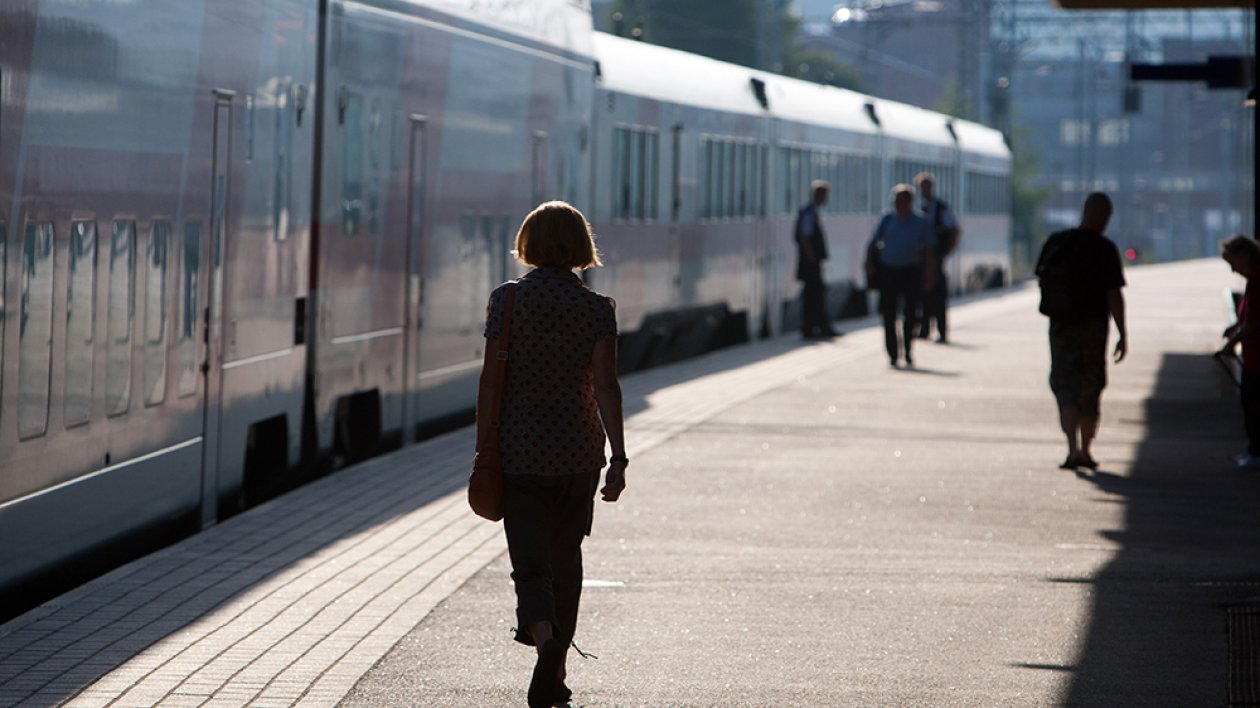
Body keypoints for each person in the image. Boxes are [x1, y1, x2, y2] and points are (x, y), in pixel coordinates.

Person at [477, 201, 628, 707]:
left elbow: (490, 380)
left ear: (529, 243)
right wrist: (619, 458)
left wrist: (484, 447)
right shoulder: (596, 308)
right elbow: (606, 386)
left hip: (519, 450)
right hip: (579, 452)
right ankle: (556, 669)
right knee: (567, 561)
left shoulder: (508, 301)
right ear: (581, 247)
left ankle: (545, 641)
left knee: (530, 566)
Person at [1034, 192, 1127, 470]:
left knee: (1065, 388)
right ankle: (1085, 451)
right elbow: (1114, 295)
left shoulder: (1058, 243)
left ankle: (1071, 448)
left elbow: (1041, 279)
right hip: (1093, 328)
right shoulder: (1104, 249)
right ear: (1104, 216)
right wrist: (1123, 332)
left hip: (1061, 327)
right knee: (1091, 388)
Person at [865, 184, 935, 367]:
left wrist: (928, 273)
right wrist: (869, 264)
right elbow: (873, 243)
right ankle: (893, 352)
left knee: (911, 313)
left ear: (910, 202)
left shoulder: (921, 222)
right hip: (889, 271)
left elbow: (929, 250)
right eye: (896, 200)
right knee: (888, 314)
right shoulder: (887, 219)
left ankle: (908, 346)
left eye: (902, 200)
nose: (898, 204)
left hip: (911, 272)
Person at [1217, 233, 1260, 470]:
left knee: (1253, 405)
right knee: (1250, 403)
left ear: (1244, 256)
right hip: (1253, 357)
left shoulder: (1257, 280)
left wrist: (1232, 342)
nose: (1233, 270)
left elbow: (1254, 321)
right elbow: (1247, 316)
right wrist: (1234, 328)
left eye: (1233, 263)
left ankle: (1256, 452)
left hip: (1257, 359)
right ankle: (1254, 450)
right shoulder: (1252, 280)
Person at [914, 172, 960, 343]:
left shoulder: (940, 208)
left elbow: (954, 229)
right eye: (922, 187)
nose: (925, 190)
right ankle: (924, 329)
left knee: (938, 296)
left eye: (927, 186)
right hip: (921, 258)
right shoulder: (919, 208)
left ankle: (942, 331)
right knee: (923, 296)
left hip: (936, 257)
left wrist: (947, 251)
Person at [794, 180, 838, 339]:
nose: (825, 199)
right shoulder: (809, 212)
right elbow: (804, 237)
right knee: (814, 294)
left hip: (810, 261)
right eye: (824, 195)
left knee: (815, 294)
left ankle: (816, 326)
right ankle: (813, 327)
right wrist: (812, 258)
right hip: (810, 262)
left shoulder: (810, 211)